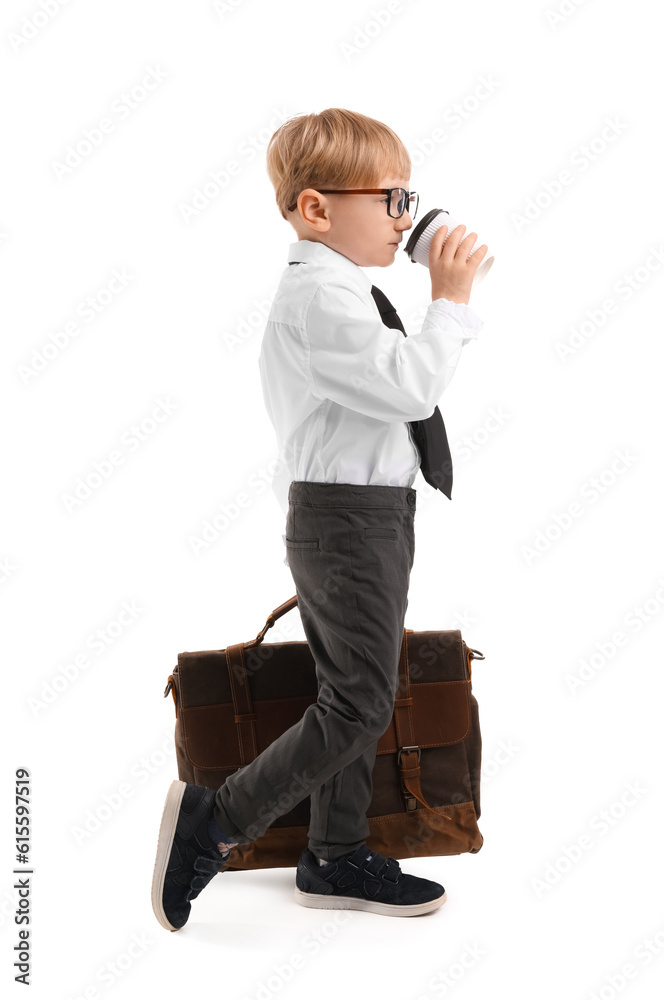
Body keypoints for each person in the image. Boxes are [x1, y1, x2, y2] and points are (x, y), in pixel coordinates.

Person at [151, 108, 487, 931]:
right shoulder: (319, 299)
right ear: (315, 209)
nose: (406, 218)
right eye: (392, 198)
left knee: (348, 690)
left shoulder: (338, 290)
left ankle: (334, 855)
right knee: (362, 705)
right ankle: (217, 820)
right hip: (348, 521)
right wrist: (449, 300)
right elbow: (410, 388)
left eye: (409, 197)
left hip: (364, 514)